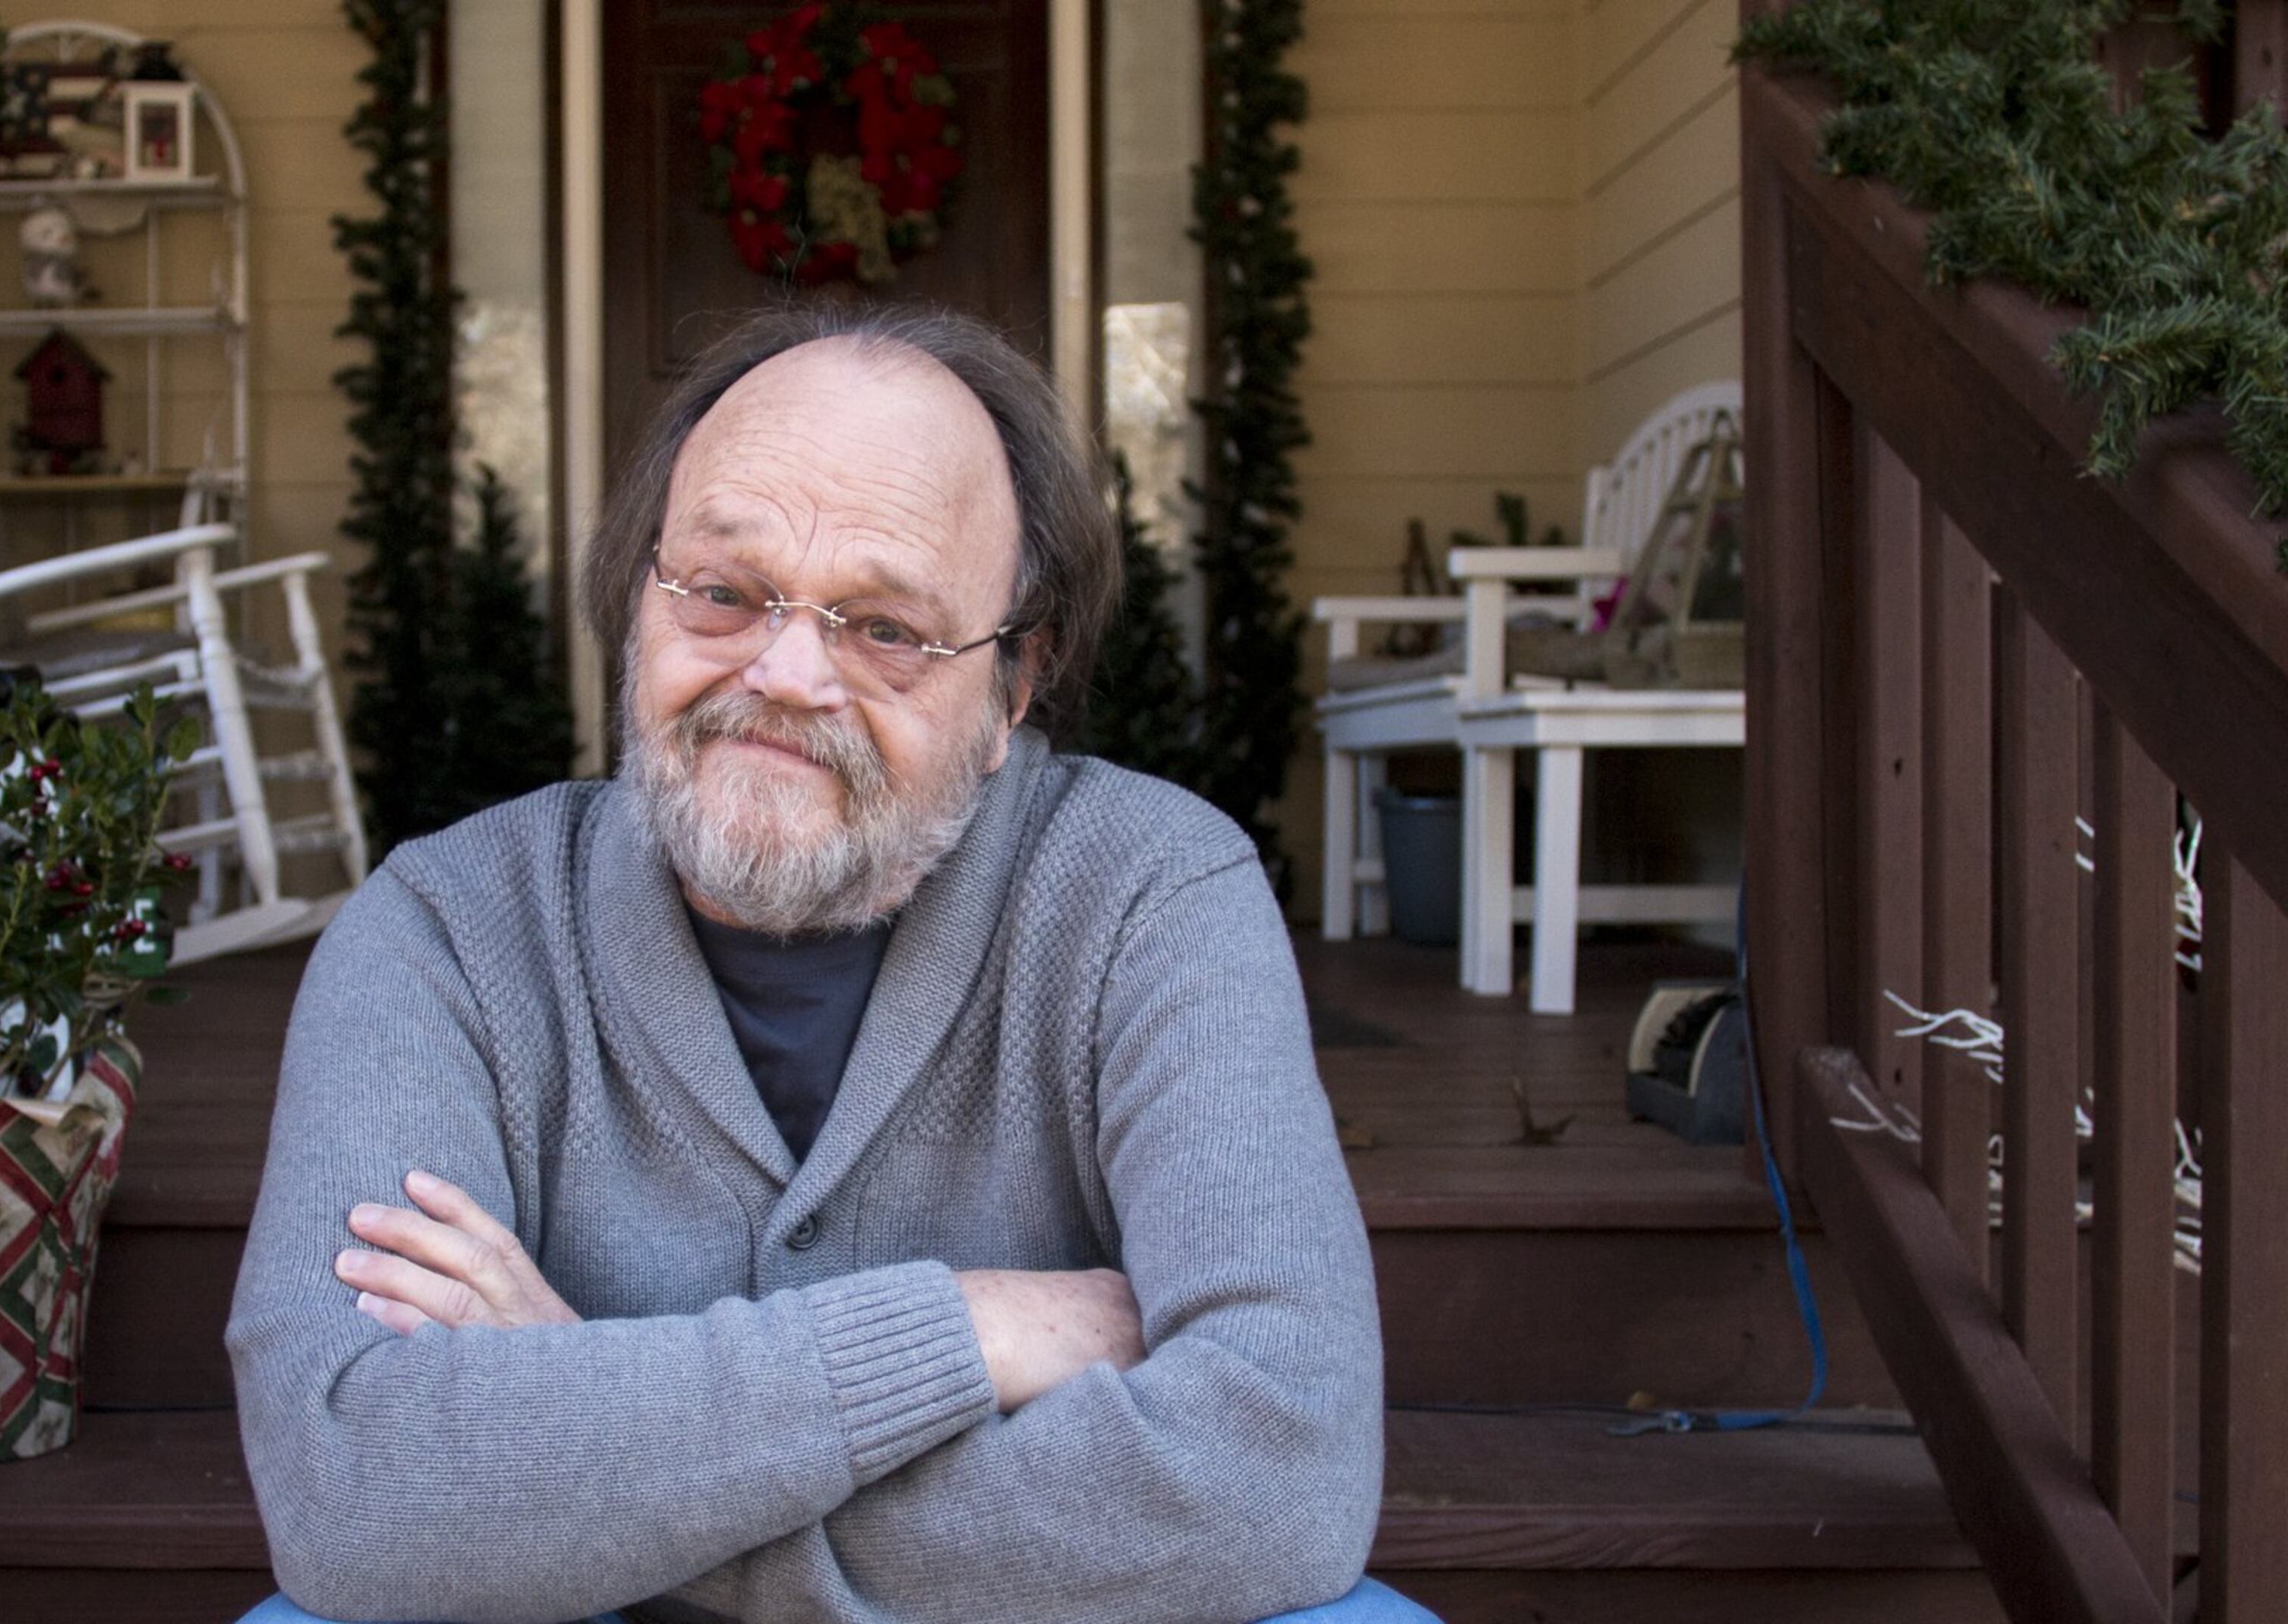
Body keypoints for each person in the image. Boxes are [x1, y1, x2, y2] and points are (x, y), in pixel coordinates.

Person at [226, 304, 1428, 1624]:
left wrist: (594, 1448)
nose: (788, 673)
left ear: (1013, 691)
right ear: (639, 601)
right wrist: (965, 1332)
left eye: (887, 629)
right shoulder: (446, 929)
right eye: (725, 594)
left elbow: (1277, 1473)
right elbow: (353, 1494)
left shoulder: (1150, 890)